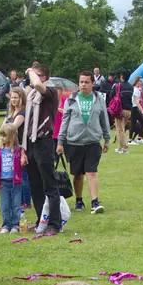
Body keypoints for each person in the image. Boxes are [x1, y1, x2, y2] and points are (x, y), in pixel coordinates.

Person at [59, 73, 110, 214]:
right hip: (74, 141)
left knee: (91, 171)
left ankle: (95, 201)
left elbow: (104, 119)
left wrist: (106, 139)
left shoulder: (99, 99)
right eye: (81, 82)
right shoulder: (71, 99)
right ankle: (79, 200)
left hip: (93, 141)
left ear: (92, 83)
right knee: (77, 174)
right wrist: (60, 141)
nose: (83, 84)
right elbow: (65, 121)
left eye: (86, 82)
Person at [21, 62, 62, 234]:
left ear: (43, 77)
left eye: (34, 74)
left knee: (49, 185)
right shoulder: (31, 95)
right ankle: (41, 220)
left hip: (44, 141)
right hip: (31, 142)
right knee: (35, 185)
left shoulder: (50, 92)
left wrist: (30, 70)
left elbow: (37, 84)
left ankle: (54, 223)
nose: (31, 77)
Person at [0, 122, 26, 233]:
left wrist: (22, 157)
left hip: (16, 182)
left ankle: (15, 225)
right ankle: (6, 225)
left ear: (12, 136)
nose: (2, 138)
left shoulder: (19, 151)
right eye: (1, 135)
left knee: (16, 205)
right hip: (3, 183)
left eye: (4, 135)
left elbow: (23, 163)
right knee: (5, 205)